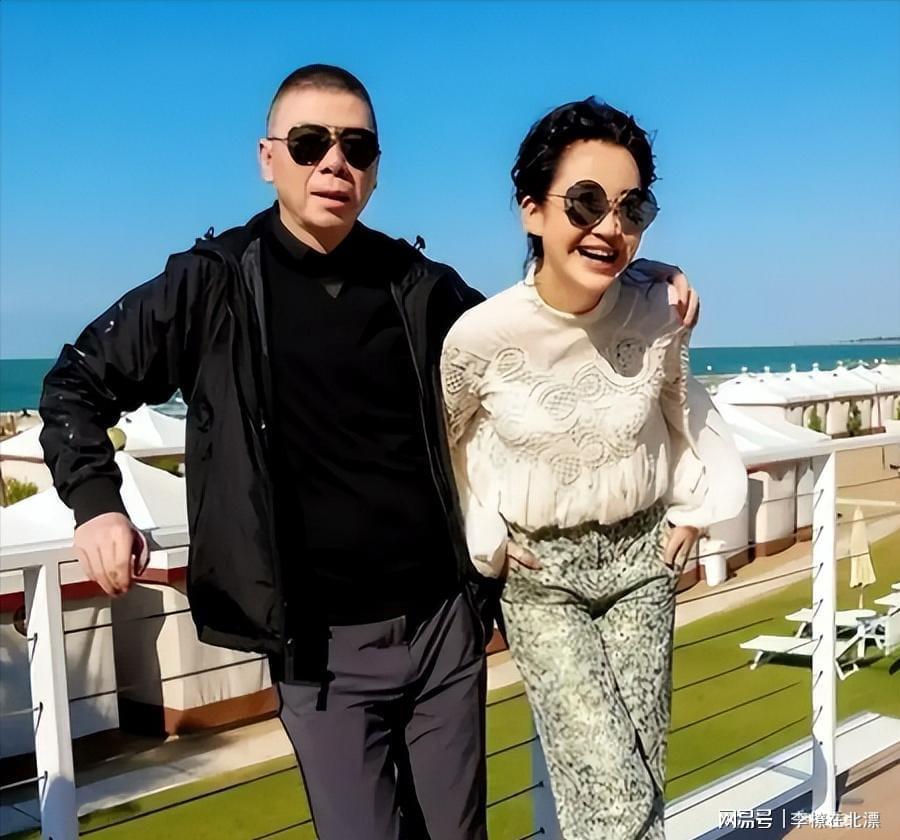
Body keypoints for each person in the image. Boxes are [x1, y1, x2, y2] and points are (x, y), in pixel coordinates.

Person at [39, 66, 698, 840]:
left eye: (356, 147)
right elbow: (76, 383)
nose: (334, 163)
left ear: (376, 168)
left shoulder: (416, 286)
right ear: (268, 158)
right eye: (309, 143)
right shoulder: (212, 286)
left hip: (443, 628)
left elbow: (538, 335)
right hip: (318, 650)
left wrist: (638, 280)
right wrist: (97, 505)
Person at [440, 97, 747, 840]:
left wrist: (693, 510)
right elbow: (448, 447)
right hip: (544, 578)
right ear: (532, 210)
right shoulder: (479, 337)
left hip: (645, 560)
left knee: (637, 777)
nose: (610, 227)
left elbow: (679, 406)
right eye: (584, 202)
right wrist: (487, 535)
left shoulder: (659, 310)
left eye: (631, 207)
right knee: (611, 787)